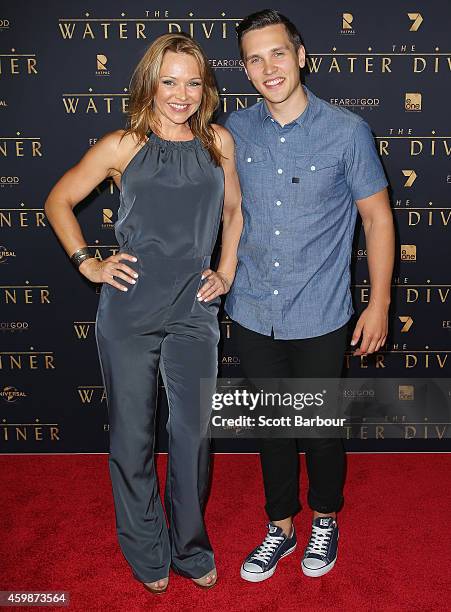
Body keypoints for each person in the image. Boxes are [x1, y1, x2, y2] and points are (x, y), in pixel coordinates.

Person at [44, 32, 243, 594]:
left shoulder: (218, 142)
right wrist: (88, 263)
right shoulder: (121, 145)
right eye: (169, 81)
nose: (181, 94)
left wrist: (225, 271)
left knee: (193, 435)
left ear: (205, 87)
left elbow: (233, 210)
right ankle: (145, 548)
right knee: (133, 435)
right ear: (150, 83)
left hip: (195, 310)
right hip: (129, 309)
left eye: (193, 82)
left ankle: (190, 546)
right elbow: (57, 199)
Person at [224, 10, 395, 581]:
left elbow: (376, 218)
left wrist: (379, 303)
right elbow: (217, 210)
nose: (267, 67)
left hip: (321, 314)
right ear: (245, 70)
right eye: (254, 58)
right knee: (271, 431)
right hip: (250, 310)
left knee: (321, 432)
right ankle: (279, 527)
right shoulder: (233, 131)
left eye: (277, 53)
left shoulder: (347, 131)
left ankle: (325, 518)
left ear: (300, 56)